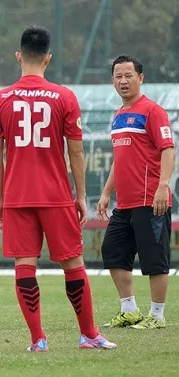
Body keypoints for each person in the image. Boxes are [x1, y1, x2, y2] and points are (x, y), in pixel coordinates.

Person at [0, 26, 116, 352]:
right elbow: (75, 152)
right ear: (48, 58)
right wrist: (81, 196)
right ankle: (88, 334)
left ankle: (38, 339)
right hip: (56, 195)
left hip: (17, 196)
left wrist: (0, 199)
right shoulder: (64, 97)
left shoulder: (0, 99)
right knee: (72, 263)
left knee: (24, 265)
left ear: (19, 56)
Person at [97, 55, 174, 330]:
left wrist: (163, 186)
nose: (123, 81)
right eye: (118, 76)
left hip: (151, 200)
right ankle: (129, 310)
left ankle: (157, 316)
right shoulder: (118, 116)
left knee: (154, 258)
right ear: (112, 81)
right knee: (112, 251)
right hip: (125, 203)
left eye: (128, 75)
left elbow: (167, 149)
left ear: (140, 78)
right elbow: (121, 160)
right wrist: (107, 192)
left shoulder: (152, 111)